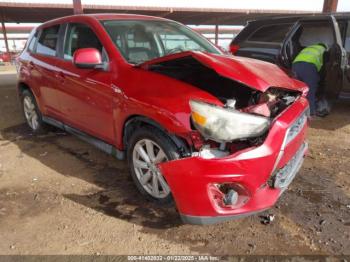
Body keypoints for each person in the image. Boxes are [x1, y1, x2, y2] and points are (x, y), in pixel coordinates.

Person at [292, 43, 327, 116]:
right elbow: (323, 68)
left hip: (295, 65)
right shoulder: (323, 50)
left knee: (297, 90)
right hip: (309, 66)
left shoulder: (308, 48)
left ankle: (294, 112)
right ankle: (311, 113)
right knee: (310, 90)